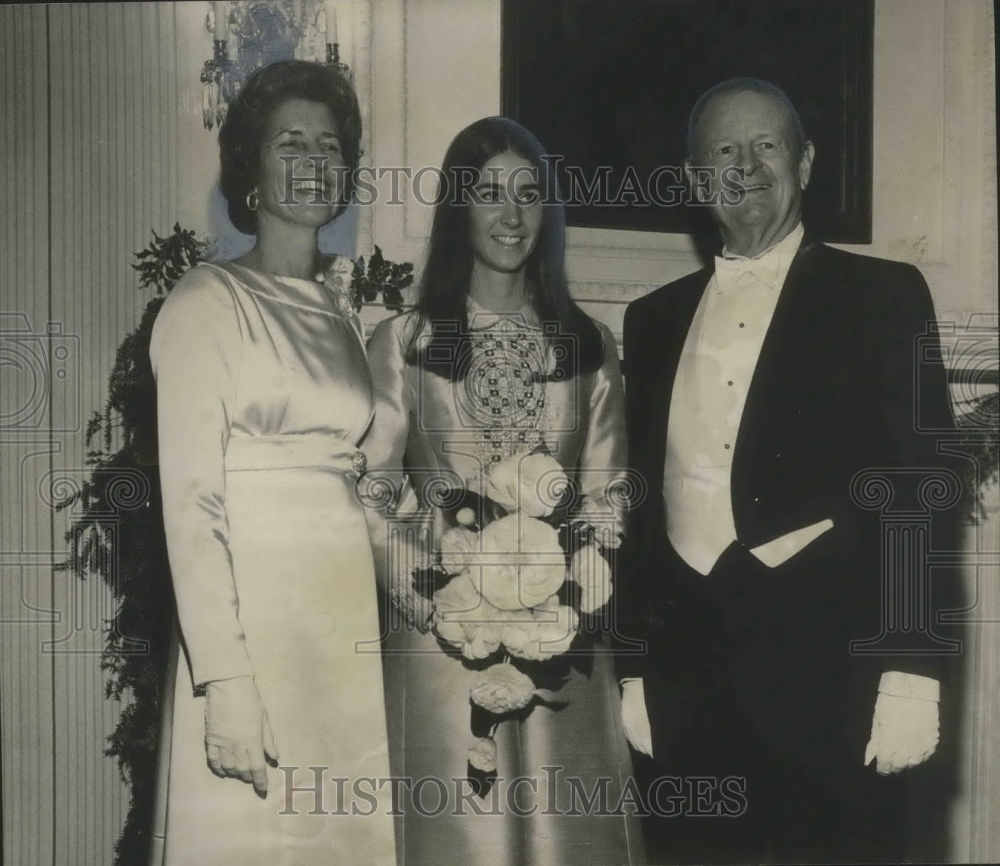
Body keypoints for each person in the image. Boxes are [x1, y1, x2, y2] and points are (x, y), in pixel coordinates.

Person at [617, 77, 961, 864]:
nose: (745, 165)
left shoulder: (884, 296)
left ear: (803, 163)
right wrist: (632, 670)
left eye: (765, 144)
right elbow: (638, 504)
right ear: (697, 178)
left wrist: (913, 671)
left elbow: (920, 488)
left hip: (829, 681)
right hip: (686, 682)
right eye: (722, 152)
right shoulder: (652, 318)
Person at [362, 116, 643, 865]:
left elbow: (606, 493)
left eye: (528, 194)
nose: (511, 214)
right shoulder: (406, 343)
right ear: (458, 208)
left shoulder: (588, 347)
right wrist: (430, 581)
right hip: (440, 639)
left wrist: (576, 584)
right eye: (489, 193)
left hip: (562, 642)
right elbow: (372, 492)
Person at [149, 60, 395, 866]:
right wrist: (224, 682)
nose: (314, 159)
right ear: (251, 166)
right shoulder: (204, 301)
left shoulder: (343, 315)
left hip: (341, 625)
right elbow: (191, 506)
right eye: (291, 142)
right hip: (254, 631)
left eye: (330, 144)